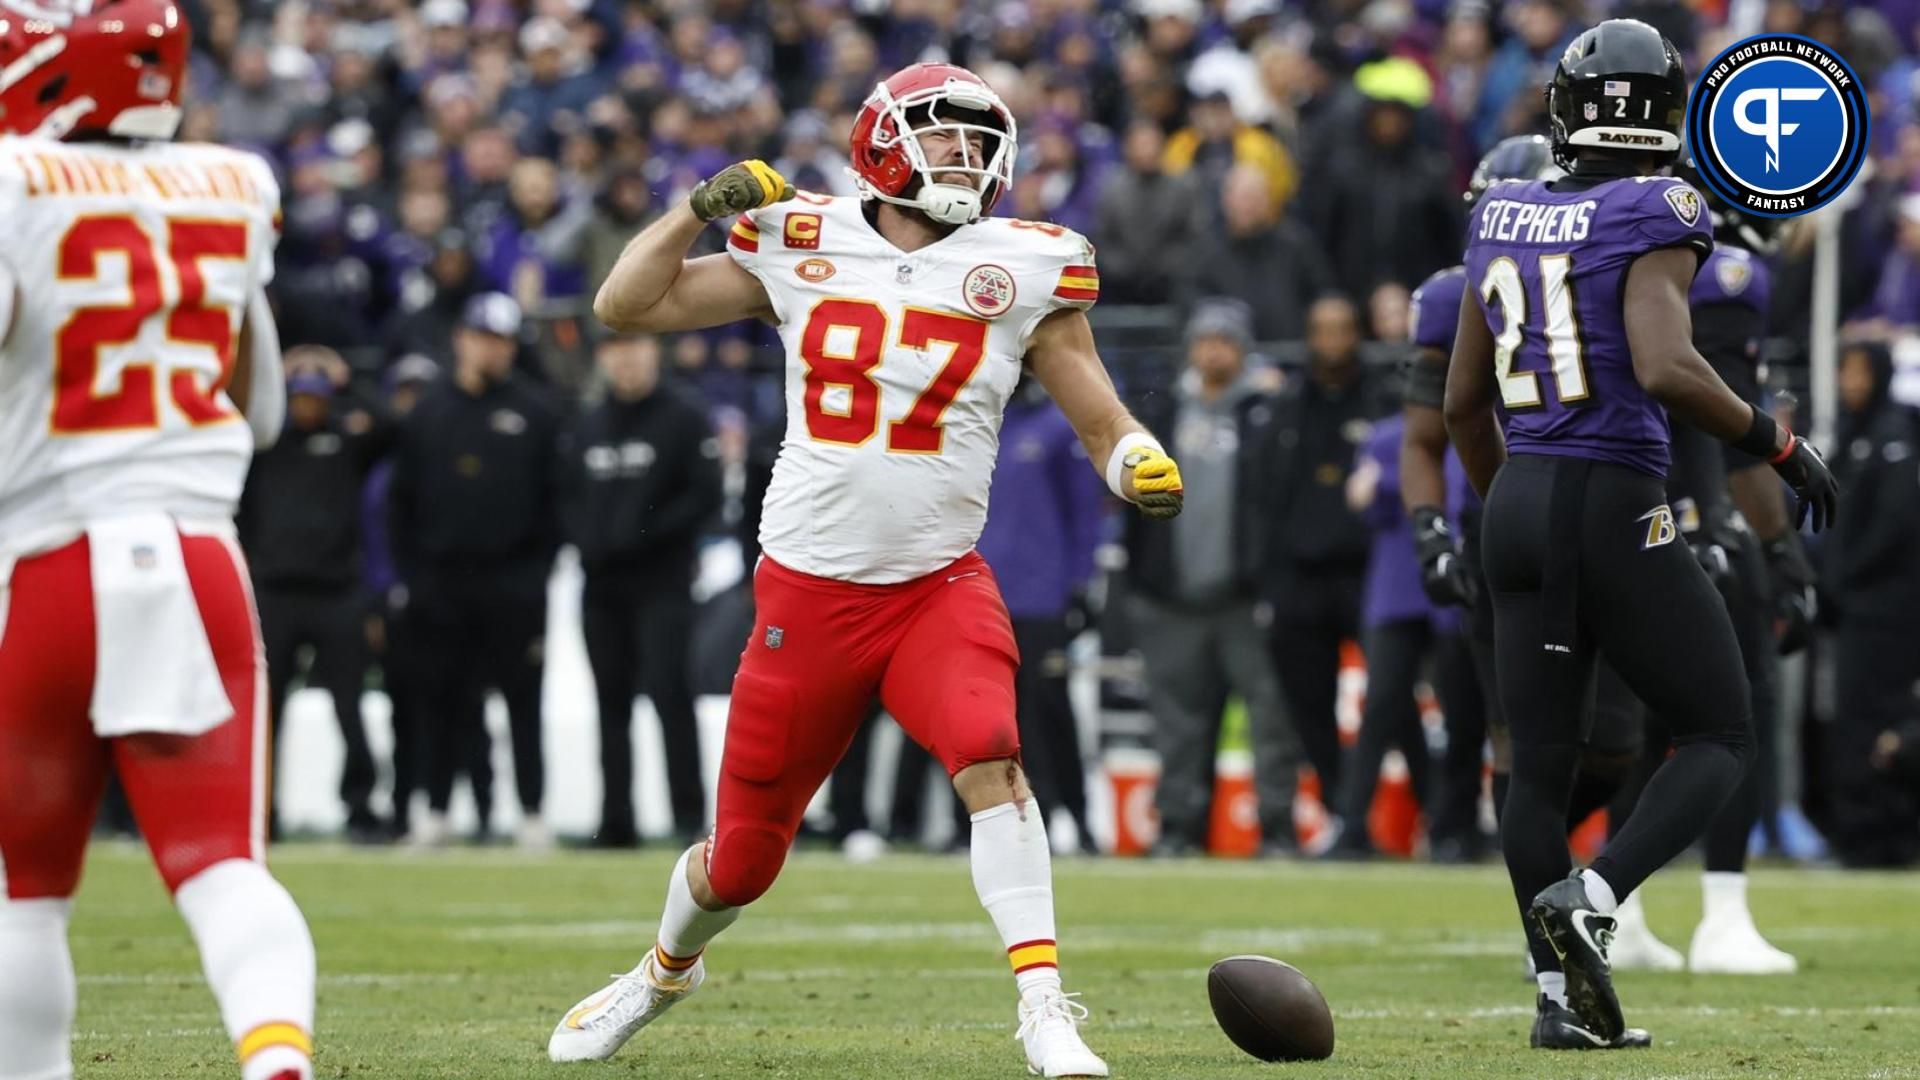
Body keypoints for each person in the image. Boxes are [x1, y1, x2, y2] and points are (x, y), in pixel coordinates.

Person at [547, 62, 1186, 1077]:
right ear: (885, 142)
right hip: (806, 591)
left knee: (991, 754)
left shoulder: (1024, 266)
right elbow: (627, 307)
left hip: (936, 581)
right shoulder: (801, 240)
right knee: (742, 864)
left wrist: (1132, 462)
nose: (967, 158)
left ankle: (1045, 1009)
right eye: (946, 138)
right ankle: (664, 970)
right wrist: (692, 211)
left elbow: (1099, 413)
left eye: (981, 143)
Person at [1443, 19, 1838, 1050]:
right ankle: (1599, 895)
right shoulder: (1659, 203)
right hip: (1608, 487)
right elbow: (1665, 365)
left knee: (1536, 769)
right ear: (1667, 112)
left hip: (1517, 493)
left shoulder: (1503, 208)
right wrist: (1779, 443)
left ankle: (1559, 1001)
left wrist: (1511, 511)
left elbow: (1459, 407)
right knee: (1722, 727)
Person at [0, 6, 317, 1080]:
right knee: (222, 865)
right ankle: (277, 1060)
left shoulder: (14, 183)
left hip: (42, 567)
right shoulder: (231, 182)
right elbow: (261, 406)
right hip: (195, 557)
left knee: (25, 894)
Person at [1602, 155, 1804, 975]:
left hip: (1609, 502)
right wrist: (1775, 544)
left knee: (1635, 725)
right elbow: (1717, 416)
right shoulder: (1726, 270)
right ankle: (1722, 913)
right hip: (1687, 509)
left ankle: (1616, 908)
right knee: (1735, 711)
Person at [388, 292, 565, 849]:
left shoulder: (536, 413)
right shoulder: (428, 411)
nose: (494, 350)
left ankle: (532, 812)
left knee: (523, 701)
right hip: (441, 581)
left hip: (513, 582)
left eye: (504, 341)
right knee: (440, 699)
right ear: (462, 338)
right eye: (485, 337)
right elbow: (400, 503)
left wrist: (536, 573)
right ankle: (436, 808)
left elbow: (557, 503)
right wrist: (413, 577)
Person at [566, 331, 723, 848]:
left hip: (663, 583)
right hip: (601, 585)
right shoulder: (586, 424)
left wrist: (640, 537)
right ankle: (615, 820)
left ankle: (689, 818)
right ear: (604, 359)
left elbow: (705, 495)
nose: (627, 362)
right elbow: (562, 497)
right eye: (616, 351)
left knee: (669, 695)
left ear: (654, 353)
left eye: (636, 349)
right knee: (610, 702)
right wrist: (588, 541)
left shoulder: (684, 417)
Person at [238, 356, 390, 844]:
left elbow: (391, 426)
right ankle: (262, 811)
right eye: (298, 397)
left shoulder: (347, 443)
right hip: (276, 594)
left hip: (336, 594)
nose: (306, 407)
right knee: (267, 711)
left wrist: (349, 375)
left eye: (316, 398)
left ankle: (361, 808)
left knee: (349, 706)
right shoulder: (265, 445)